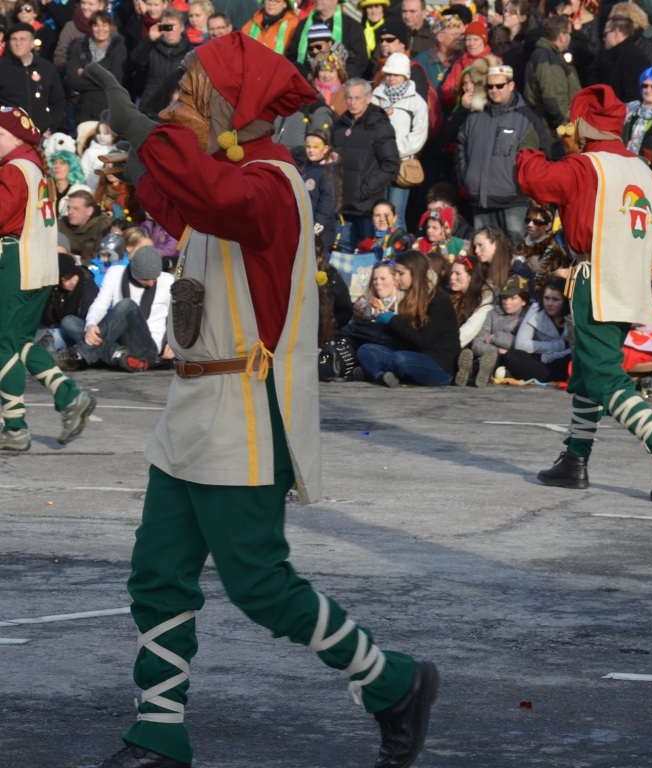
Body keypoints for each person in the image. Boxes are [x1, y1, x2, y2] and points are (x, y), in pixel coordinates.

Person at [83, 31, 438, 767]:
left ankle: (391, 681)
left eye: (190, 92)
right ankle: (158, 730)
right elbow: (189, 205)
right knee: (156, 573)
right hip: (194, 409)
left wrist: (145, 133)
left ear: (231, 104)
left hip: (244, 412)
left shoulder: (273, 183)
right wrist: (138, 161)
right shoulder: (231, 176)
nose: (177, 102)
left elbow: (215, 198)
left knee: (260, 583)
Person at [516, 84, 652, 502]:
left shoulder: (585, 165)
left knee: (603, 375)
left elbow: (534, 179)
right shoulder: (644, 172)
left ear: (582, 125)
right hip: (632, 279)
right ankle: (575, 460)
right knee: (588, 370)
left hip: (595, 277)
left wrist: (529, 146)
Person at [0, 106, 96, 453]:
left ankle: (15, 427)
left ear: (14, 138)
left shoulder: (14, 170)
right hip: (41, 267)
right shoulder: (35, 168)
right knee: (23, 343)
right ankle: (70, 397)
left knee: (3, 346)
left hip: (18, 265)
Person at [456, 64, 544, 244]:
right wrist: (466, 177)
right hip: (481, 201)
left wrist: (524, 186)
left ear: (511, 85)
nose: (494, 90)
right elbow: (460, 146)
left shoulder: (526, 118)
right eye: (490, 86)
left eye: (500, 86)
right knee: (484, 255)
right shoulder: (475, 115)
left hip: (514, 202)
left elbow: (541, 155)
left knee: (518, 254)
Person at [59, 246, 174, 372]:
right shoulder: (115, 273)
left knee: (127, 305)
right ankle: (118, 355)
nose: (151, 283)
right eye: (146, 279)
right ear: (134, 272)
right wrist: (91, 325)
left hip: (147, 345)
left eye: (154, 278)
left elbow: (178, 316)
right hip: (118, 339)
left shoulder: (168, 281)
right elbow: (100, 304)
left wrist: (174, 344)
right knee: (69, 321)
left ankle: (81, 352)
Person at [356, 249, 460, 386]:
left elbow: (424, 340)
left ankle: (375, 372)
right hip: (412, 354)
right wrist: (383, 322)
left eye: (401, 273)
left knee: (400, 360)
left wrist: (392, 320)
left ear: (415, 273)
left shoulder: (439, 300)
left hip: (438, 361)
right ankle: (381, 375)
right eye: (396, 273)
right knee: (366, 349)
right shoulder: (405, 297)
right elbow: (402, 339)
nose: (396, 278)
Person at [332, 77, 400, 252]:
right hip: (342, 207)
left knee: (368, 257)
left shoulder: (379, 126)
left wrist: (365, 190)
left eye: (357, 98)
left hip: (367, 208)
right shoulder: (340, 125)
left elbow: (391, 165)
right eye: (349, 98)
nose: (352, 102)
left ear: (368, 98)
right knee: (342, 259)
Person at [371, 52, 428, 230]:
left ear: (405, 75)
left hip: (401, 165)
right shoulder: (375, 97)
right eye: (388, 74)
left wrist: (393, 152)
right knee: (378, 214)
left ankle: (399, 255)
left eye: (396, 74)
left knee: (397, 216)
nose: (391, 78)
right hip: (377, 164)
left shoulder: (417, 103)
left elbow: (418, 136)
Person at [458, 273, 530, 386]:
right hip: (490, 354)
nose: (507, 302)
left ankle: (481, 373)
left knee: (503, 367)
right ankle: (470, 370)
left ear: (523, 301)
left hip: (513, 358)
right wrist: (496, 351)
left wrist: (495, 337)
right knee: (486, 360)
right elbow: (477, 342)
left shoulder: (529, 316)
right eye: (504, 298)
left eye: (513, 298)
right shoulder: (492, 314)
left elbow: (523, 342)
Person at [524, 14, 580, 151]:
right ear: (561, 36)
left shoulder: (547, 55)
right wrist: (568, 134)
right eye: (569, 33)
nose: (570, 38)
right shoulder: (548, 59)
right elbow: (554, 101)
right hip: (553, 137)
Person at [503, 275, 571, 382]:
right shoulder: (536, 310)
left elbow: (576, 349)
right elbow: (521, 344)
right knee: (512, 356)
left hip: (564, 360)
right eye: (546, 298)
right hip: (541, 360)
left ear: (565, 300)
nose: (549, 303)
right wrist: (559, 346)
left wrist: (552, 356)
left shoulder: (574, 315)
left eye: (555, 299)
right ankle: (555, 378)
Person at [0, 23, 64, 135]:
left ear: (32, 43)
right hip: (9, 136)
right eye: (14, 39)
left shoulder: (46, 67)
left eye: (22, 39)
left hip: (42, 134)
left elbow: (58, 100)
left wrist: (50, 128)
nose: (18, 43)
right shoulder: (2, 68)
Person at [64, 11, 128, 124]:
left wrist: (85, 73)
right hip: (83, 108)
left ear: (111, 27)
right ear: (91, 27)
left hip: (108, 110)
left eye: (104, 25)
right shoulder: (79, 47)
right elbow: (71, 79)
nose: (100, 29)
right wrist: (103, 79)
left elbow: (114, 81)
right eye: (96, 25)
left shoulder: (118, 49)